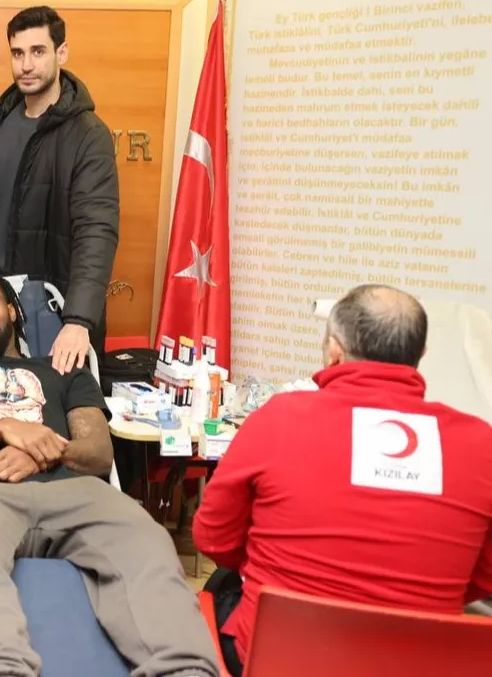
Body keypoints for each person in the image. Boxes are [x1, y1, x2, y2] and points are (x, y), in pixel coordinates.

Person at [0, 272, 219, 677]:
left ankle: (183, 669)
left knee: (145, 538)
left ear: (13, 311)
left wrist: (40, 452)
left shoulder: (63, 369)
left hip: (71, 486)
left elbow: (99, 453)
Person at [194, 284, 492, 677]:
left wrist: (270, 565)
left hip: (276, 660)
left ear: (334, 350)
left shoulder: (281, 418)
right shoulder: (480, 443)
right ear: (420, 355)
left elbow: (213, 537)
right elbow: (483, 576)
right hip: (417, 665)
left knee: (221, 585)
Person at [0, 6, 119, 373]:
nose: (26, 65)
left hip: (57, 313)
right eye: (17, 53)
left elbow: (96, 230)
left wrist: (79, 320)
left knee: (57, 409)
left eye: (38, 51)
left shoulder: (88, 134)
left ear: (61, 53)